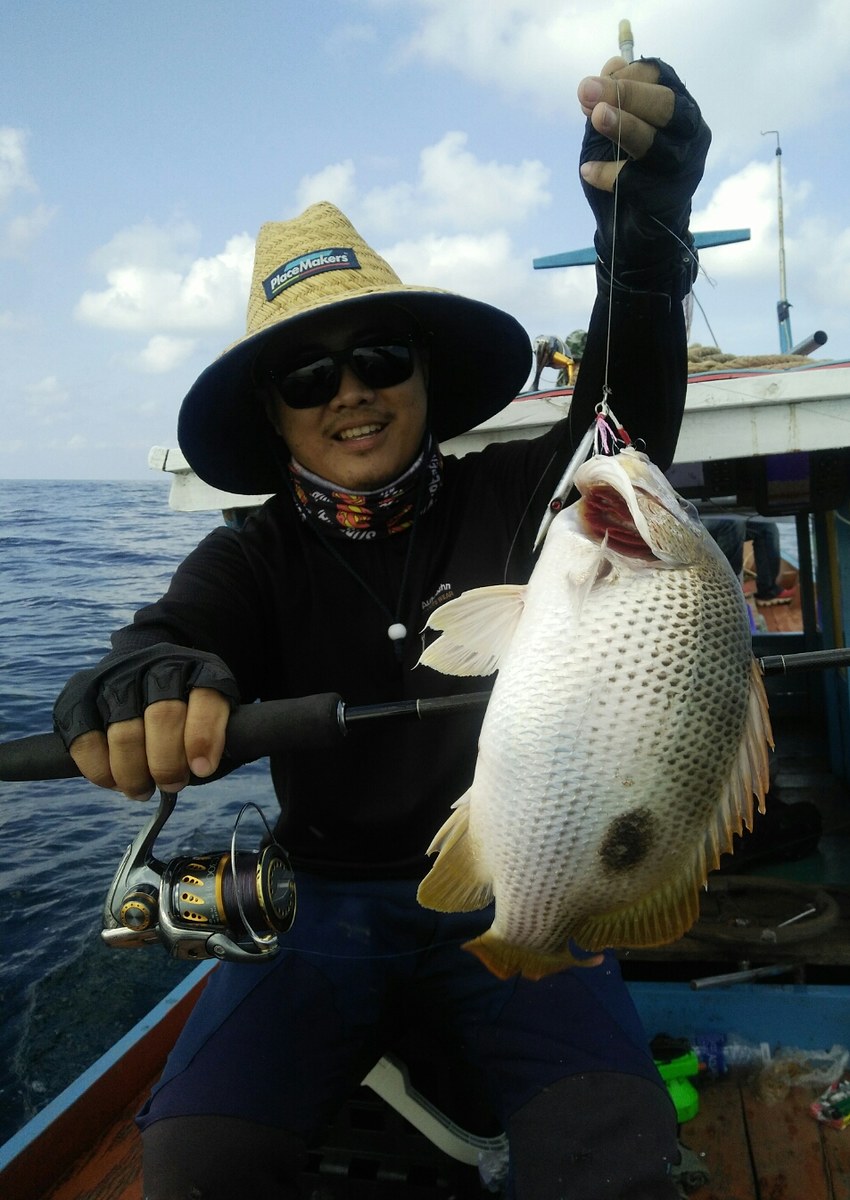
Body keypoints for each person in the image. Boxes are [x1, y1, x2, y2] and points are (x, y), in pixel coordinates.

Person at [53, 55, 710, 1200]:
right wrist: (140, 686)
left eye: (377, 358)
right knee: (196, 1165)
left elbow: (628, 408)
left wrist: (644, 240)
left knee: (616, 1160)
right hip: (321, 910)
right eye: (308, 377)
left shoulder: (536, 500)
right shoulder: (248, 555)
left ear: (421, 374)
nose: (348, 392)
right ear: (274, 416)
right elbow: (160, 640)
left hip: (523, 883)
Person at [701, 513, 796, 606]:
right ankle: (727, 592)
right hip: (695, 518)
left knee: (766, 526)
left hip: (718, 511)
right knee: (732, 522)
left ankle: (768, 590)